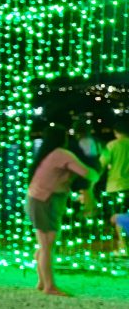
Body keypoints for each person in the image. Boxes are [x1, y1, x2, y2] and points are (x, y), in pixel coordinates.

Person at [27, 125, 99, 296]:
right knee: (46, 244)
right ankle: (49, 286)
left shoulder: (47, 154)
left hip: (40, 199)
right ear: (63, 138)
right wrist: (96, 172)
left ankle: (42, 282)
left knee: (45, 243)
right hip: (44, 201)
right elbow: (87, 173)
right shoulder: (61, 154)